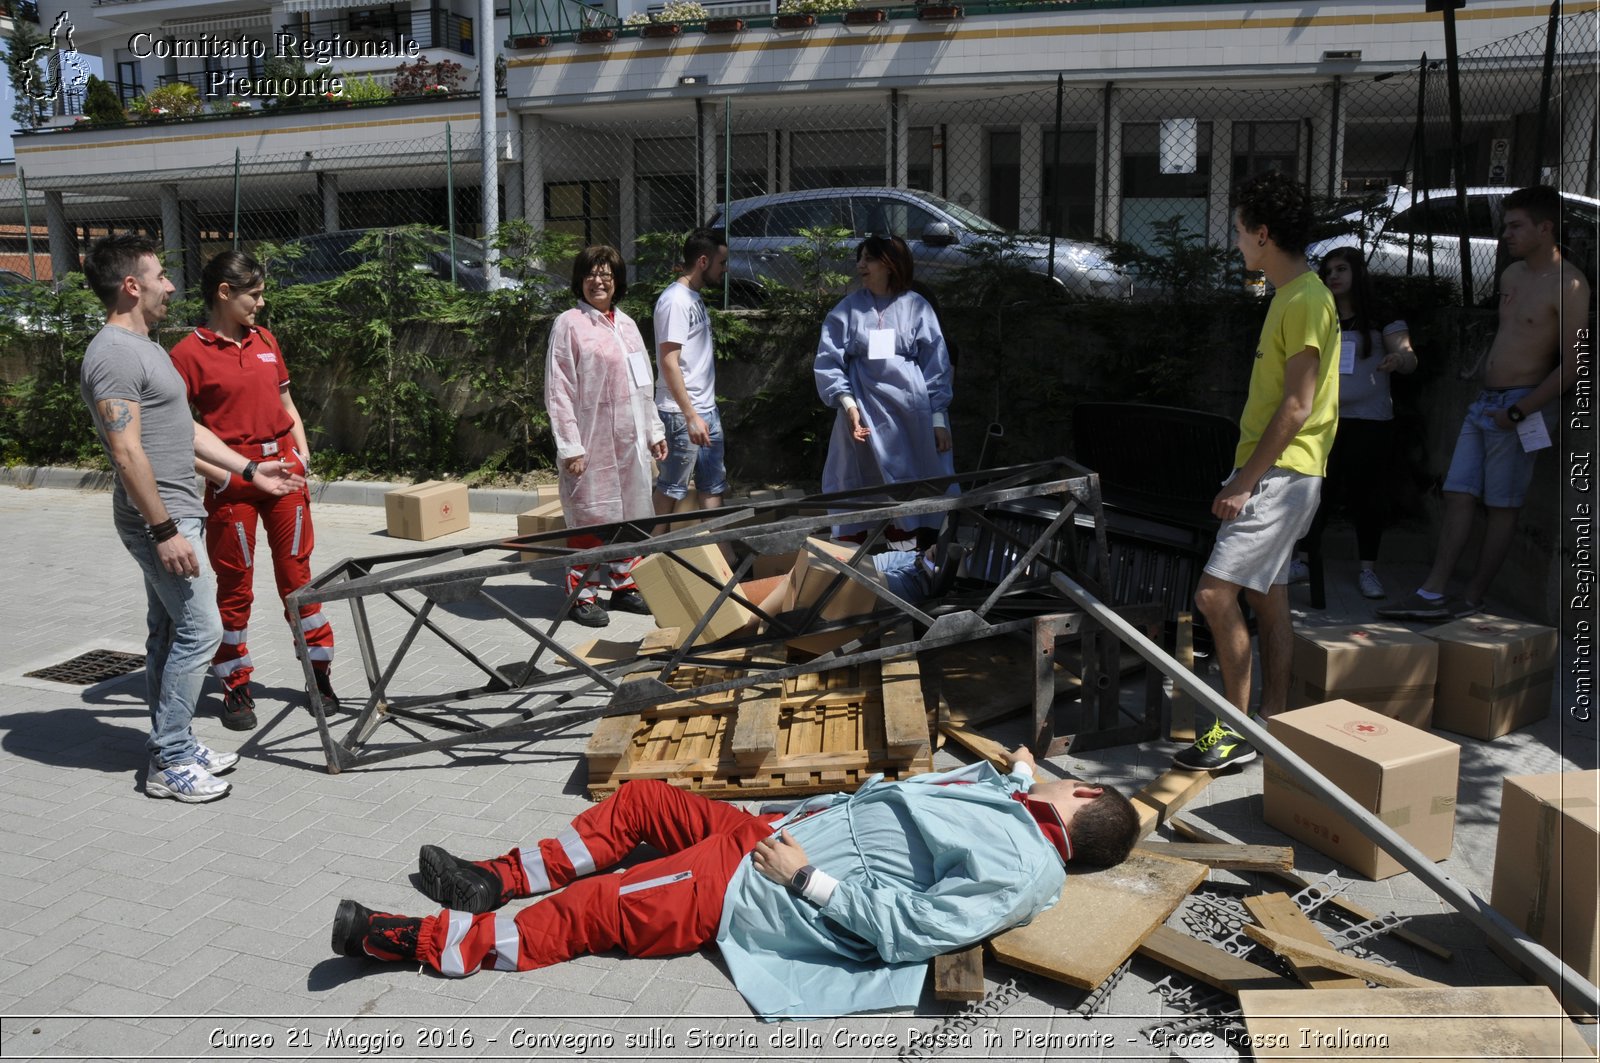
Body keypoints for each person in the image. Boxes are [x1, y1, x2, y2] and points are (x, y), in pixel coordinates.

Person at [330, 749, 1138, 1020]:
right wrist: (1023, 767)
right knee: (643, 798)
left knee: (596, 908)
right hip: (765, 835)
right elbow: (994, 783)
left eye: (1075, 779)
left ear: (1090, 796)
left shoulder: (1025, 867)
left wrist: (807, 878)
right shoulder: (1019, 809)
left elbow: (916, 927)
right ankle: (492, 879)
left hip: (761, 881)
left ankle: (422, 944)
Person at [80, 235, 305, 802]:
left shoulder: (148, 347)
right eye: (159, 275)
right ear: (132, 285)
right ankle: (171, 759)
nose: (171, 285)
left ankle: (170, 738)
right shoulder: (112, 355)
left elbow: (187, 432)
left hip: (180, 511)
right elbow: (127, 452)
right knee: (202, 628)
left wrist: (252, 473)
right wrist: (164, 531)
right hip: (161, 519)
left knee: (168, 631)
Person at [1174, 172, 1340, 773]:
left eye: (1241, 232)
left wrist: (1245, 480)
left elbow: (1297, 405)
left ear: (1263, 235)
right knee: (1269, 601)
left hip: (1281, 475)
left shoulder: (1305, 300)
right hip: (1285, 473)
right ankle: (1273, 724)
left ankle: (1233, 731)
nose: (1237, 243)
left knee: (1215, 597)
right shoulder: (1295, 298)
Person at [1378, 184, 1590, 621]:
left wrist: (1520, 411)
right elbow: (1510, 336)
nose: (1505, 234)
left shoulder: (1569, 284)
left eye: (1515, 226)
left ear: (1545, 227)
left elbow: (1572, 365)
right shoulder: (1512, 275)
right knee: (1458, 493)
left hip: (1519, 407)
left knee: (1502, 504)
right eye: (1505, 225)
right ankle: (1433, 590)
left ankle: (1473, 595)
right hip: (1483, 402)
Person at [167, 251, 337, 732]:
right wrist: (221, 476)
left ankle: (318, 675)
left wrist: (303, 456)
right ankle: (235, 683)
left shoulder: (265, 340)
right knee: (234, 586)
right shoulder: (187, 354)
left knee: (297, 580)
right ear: (225, 292)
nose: (261, 304)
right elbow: (176, 434)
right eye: (254, 295)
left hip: (285, 476)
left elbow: (287, 403)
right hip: (234, 485)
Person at [545, 245, 668, 628]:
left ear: (617, 282)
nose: (598, 281)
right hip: (590, 439)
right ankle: (580, 595)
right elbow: (558, 388)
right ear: (579, 281)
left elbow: (643, 383)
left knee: (628, 515)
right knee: (590, 517)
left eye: (607, 275)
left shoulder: (627, 325)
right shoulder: (569, 324)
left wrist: (653, 430)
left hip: (629, 439)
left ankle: (622, 585)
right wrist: (570, 446)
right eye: (591, 274)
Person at [1288, 247, 1419, 600]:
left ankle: (1368, 570)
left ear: (1358, 273)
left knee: (1367, 496)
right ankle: (1303, 560)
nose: (1334, 276)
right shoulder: (1321, 312)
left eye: (1342, 269)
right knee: (1317, 492)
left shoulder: (1380, 315)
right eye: (1328, 270)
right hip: (1324, 420)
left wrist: (1399, 359)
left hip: (1370, 422)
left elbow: (1408, 356)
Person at [815, 235, 955, 538]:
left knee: (914, 478)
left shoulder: (917, 307)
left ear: (890, 264)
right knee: (856, 477)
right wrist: (849, 405)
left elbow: (936, 364)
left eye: (869, 258)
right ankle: (857, 552)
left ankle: (917, 553)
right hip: (864, 411)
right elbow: (828, 361)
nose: (860, 265)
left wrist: (938, 418)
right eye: (860, 258)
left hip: (909, 412)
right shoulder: (847, 310)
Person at [652, 229, 730, 527]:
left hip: (705, 410)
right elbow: (669, 362)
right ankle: (648, 559)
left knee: (713, 486)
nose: (724, 270)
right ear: (702, 261)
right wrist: (690, 415)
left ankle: (724, 562)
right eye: (721, 263)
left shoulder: (692, 297)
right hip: (681, 414)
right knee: (671, 489)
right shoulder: (675, 301)